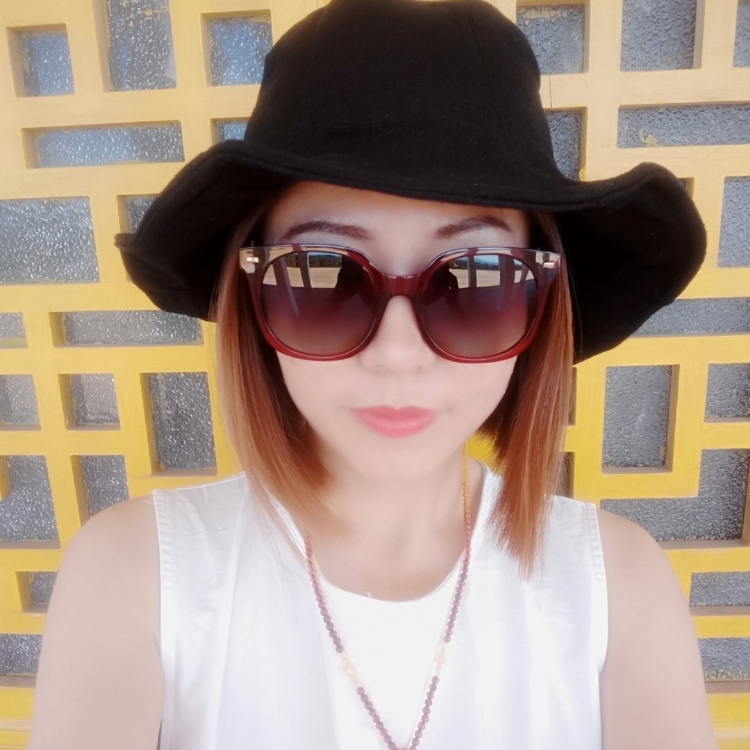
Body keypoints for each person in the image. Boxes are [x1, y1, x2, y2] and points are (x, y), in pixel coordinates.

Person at [28, 0, 718, 748]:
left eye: (477, 279)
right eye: (323, 275)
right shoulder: (135, 576)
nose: (397, 352)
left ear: (541, 303)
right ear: (251, 296)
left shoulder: (618, 587)